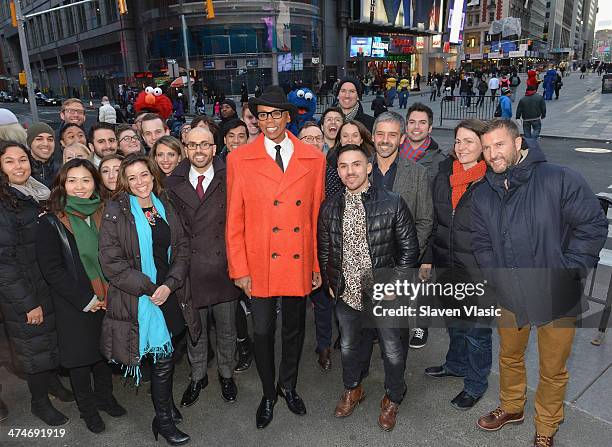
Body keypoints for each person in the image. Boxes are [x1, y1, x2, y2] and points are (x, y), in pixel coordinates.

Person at [472, 119, 608, 447]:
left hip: (557, 293)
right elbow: (481, 241)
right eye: (487, 148)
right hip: (509, 293)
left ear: (518, 143)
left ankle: (546, 425)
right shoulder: (483, 191)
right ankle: (512, 406)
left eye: (499, 145)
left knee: (552, 368)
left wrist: (570, 271)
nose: (492, 154)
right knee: (509, 356)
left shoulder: (559, 179)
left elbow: (592, 226)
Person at [226, 86, 325, 429]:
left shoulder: (314, 159)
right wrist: (239, 268)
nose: (268, 121)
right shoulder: (239, 159)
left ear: (288, 116)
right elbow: (234, 219)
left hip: (297, 261)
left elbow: (314, 220)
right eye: (262, 114)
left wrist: (315, 264)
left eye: (275, 114)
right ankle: (268, 392)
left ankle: (289, 385)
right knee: (264, 331)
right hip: (258, 262)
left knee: (294, 330)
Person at [99, 153, 201, 445]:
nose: (140, 182)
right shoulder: (115, 211)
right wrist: (150, 287)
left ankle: (166, 408)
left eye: (144, 175)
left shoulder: (164, 204)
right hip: (141, 297)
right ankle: (164, 421)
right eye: (132, 178)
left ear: (153, 174)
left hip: (170, 293)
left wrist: (170, 284)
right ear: (124, 182)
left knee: (167, 355)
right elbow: (111, 263)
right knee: (163, 360)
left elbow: (182, 247)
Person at [317, 143, 419, 431]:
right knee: (349, 347)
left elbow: (409, 250)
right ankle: (353, 389)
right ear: (337, 170)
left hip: (386, 293)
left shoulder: (392, 202)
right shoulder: (329, 207)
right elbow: (324, 250)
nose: (350, 171)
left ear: (369, 167)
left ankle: (393, 397)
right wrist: (330, 282)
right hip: (347, 293)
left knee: (393, 350)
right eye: (344, 166)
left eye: (356, 164)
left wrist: (395, 285)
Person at [36, 159, 126, 433]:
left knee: (103, 353)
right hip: (75, 303)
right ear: (62, 185)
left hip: (108, 297)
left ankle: (105, 397)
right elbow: (52, 269)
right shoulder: (51, 220)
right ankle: (87, 410)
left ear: (95, 183)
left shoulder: (105, 212)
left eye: (86, 180)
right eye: (72, 180)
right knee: (79, 360)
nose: (79, 186)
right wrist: (85, 299)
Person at [166, 126, 242, 409]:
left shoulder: (231, 177)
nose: (199, 151)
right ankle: (197, 376)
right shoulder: (172, 183)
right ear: (186, 149)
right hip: (190, 268)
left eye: (205, 145)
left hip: (224, 267)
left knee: (226, 329)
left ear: (214, 148)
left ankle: (226, 374)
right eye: (193, 145)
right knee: (194, 329)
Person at [0, 141, 73, 427]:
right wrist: (28, 303)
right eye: (10, 162)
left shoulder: (33, 193)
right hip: (24, 292)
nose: (19, 166)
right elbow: (3, 264)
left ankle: (52, 384)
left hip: (44, 283)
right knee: (33, 349)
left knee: (47, 344)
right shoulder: (5, 204)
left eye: (22, 160)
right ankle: (39, 402)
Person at [422, 119, 493, 411]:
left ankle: (476, 384)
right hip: (445, 264)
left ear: (483, 147)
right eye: (458, 141)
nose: (461, 147)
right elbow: (433, 221)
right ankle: (455, 364)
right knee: (455, 324)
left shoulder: (491, 180)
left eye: (469, 142)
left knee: (478, 333)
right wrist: (427, 258)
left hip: (479, 272)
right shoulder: (443, 173)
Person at [27, 122, 60, 187]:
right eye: (39, 139)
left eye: (50, 139)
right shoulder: (22, 170)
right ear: (30, 143)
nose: (46, 144)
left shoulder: (61, 170)